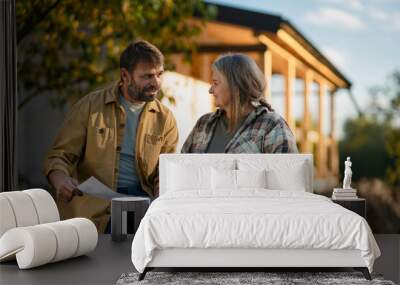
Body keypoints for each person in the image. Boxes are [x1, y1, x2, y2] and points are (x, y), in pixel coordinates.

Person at [43, 40, 178, 233]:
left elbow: (165, 171)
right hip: (96, 205)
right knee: (115, 241)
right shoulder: (90, 107)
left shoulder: (165, 119)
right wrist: (60, 179)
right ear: (125, 75)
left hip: (142, 203)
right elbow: (59, 156)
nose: (156, 82)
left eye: (159, 74)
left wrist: (160, 197)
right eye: (147, 76)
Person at [181, 53, 297, 154]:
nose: (210, 90)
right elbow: (183, 169)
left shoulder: (271, 126)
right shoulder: (204, 124)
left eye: (215, 83)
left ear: (235, 86)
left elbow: (287, 176)